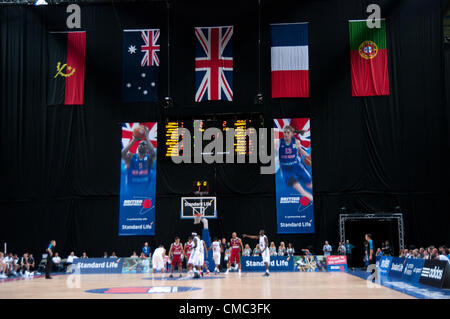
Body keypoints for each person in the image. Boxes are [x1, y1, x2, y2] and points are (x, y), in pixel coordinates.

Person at [275, 125, 313, 202]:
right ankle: (312, 200)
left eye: (288, 132)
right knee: (301, 191)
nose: (285, 134)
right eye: (284, 132)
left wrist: (307, 156)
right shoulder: (278, 142)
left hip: (297, 166)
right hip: (286, 170)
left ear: (292, 134)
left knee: (309, 185)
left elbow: (300, 150)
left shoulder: (296, 141)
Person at [121, 126, 156, 196]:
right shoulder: (131, 157)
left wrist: (147, 138)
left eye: (144, 144)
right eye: (140, 144)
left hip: (146, 193)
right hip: (130, 192)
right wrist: (133, 141)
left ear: (147, 149)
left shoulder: (149, 159)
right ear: (137, 147)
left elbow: (153, 153)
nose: (141, 145)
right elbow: (122, 154)